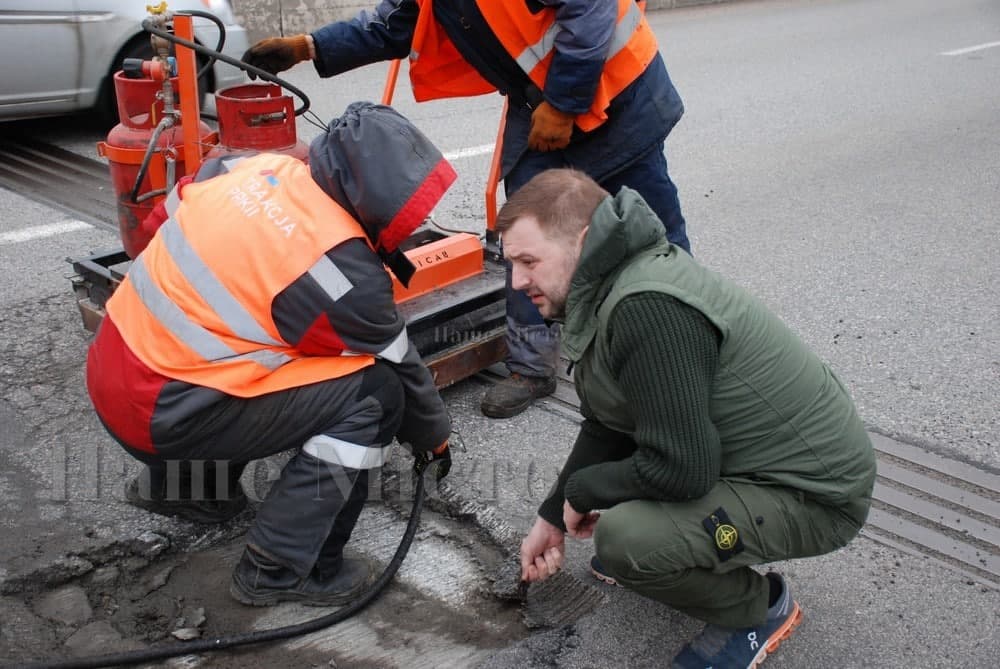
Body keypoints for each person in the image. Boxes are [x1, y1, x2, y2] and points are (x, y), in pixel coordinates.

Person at [241, 0, 691, 419]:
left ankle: (684, 345)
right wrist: (309, 47)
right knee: (525, 229)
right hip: (541, 99)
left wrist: (564, 103)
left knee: (649, 227)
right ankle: (532, 367)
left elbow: (590, 10)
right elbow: (397, 24)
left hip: (619, 93)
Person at [86, 102, 456, 607]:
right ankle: (282, 568)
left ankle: (185, 489)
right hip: (165, 415)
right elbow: (402, 368)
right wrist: (434, 438)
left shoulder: (242, 167)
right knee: (374, 396)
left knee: (244, 352)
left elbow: (154, 232)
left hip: (111, 371)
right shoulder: (342, 270)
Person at [508, 169, 876, 669]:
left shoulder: (646, 307)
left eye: (529, 261)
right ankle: (684, 552)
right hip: (751, 463)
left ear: (584, 241)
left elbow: (683, 469)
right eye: (511, 263)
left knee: (627, 542)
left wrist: (583, 491)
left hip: (816, 494)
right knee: (634, 519)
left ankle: (757, 608)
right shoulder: (609, 286)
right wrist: (551, 517)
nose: (517, 281)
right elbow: (611, 423)